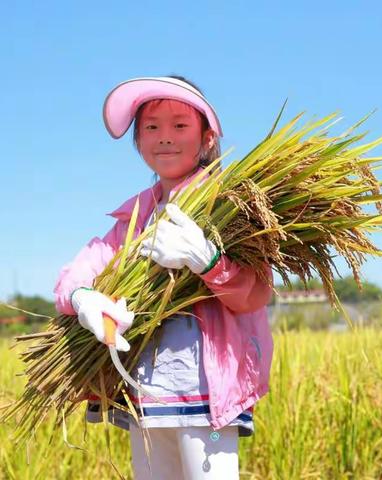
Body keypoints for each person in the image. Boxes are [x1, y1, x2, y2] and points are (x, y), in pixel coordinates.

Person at [53, 75, 274, 479]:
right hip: (148, 391)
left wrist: (208, 262)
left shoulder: (232, 206)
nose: (164, 137)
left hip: (210, 392)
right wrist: (85, 297)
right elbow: (77, 271)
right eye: (151, 127)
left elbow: (256, 294)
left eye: (180, 125)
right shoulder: (134, 217)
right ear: (138, 142)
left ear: (207, 138)